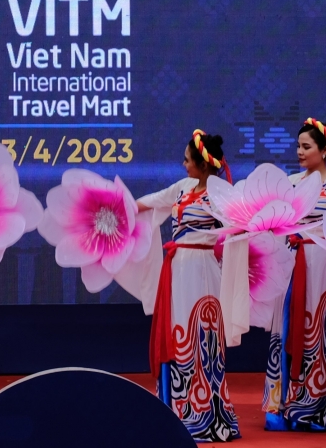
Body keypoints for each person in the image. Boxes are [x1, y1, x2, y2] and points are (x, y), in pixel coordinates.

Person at [136, 130, 240, 442]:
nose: (183, 164)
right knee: (177, 332)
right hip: (177, 268)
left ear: (203, 164)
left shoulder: (222, 195)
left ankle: (207, 415)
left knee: (203, 335)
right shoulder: (183, 187)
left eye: (187, 160)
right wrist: (121, 207)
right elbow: (153, 201)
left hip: (204, 268)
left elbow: (238, 230)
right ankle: (176, 411)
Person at [264, 118, 326, 431]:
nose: (299, 152)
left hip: (324, 265)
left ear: (324, 150)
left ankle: (317, 407)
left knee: (321, 331)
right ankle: (281, 405)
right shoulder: (290, 183)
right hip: (292, 261)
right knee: (288, 328)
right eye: (298, 146)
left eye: (306, 146)